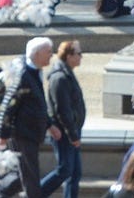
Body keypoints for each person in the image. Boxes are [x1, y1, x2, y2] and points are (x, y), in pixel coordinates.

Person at [0, 37, 60, 198]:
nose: (51, 55)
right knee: (31, 177)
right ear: (37, 54)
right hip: (22, 135)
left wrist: (49, 125)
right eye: (48, 52)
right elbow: (8, 105)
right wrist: (2, 134)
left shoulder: (35, 72)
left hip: (30, 134)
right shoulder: (23, 76)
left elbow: (37, 104)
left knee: (22, 175)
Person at [40, 41, 86, 198]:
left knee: (75, 172)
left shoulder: (66, 74)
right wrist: (73, 135)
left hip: (71, 130)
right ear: (69, 56)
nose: (81, 56)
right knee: (65, 170)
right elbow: (63, 110)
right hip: (65, 132)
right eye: (79, 53)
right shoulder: (60, 78)